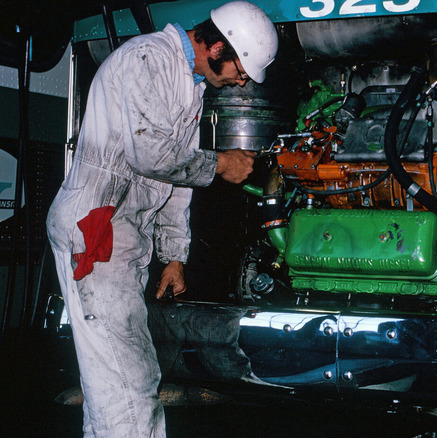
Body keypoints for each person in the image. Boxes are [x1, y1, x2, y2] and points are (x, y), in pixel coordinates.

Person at [45, 2, 277, 436]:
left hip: (122, 239)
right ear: (216, 47)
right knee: (129, 381)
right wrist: (220, 165)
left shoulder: (189, 85)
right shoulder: (147, 58)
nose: (241, 80)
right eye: (240, 69)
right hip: (95, 231)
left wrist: (173, 256)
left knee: (111, 383)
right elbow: (151, 155)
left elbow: (176, 182)